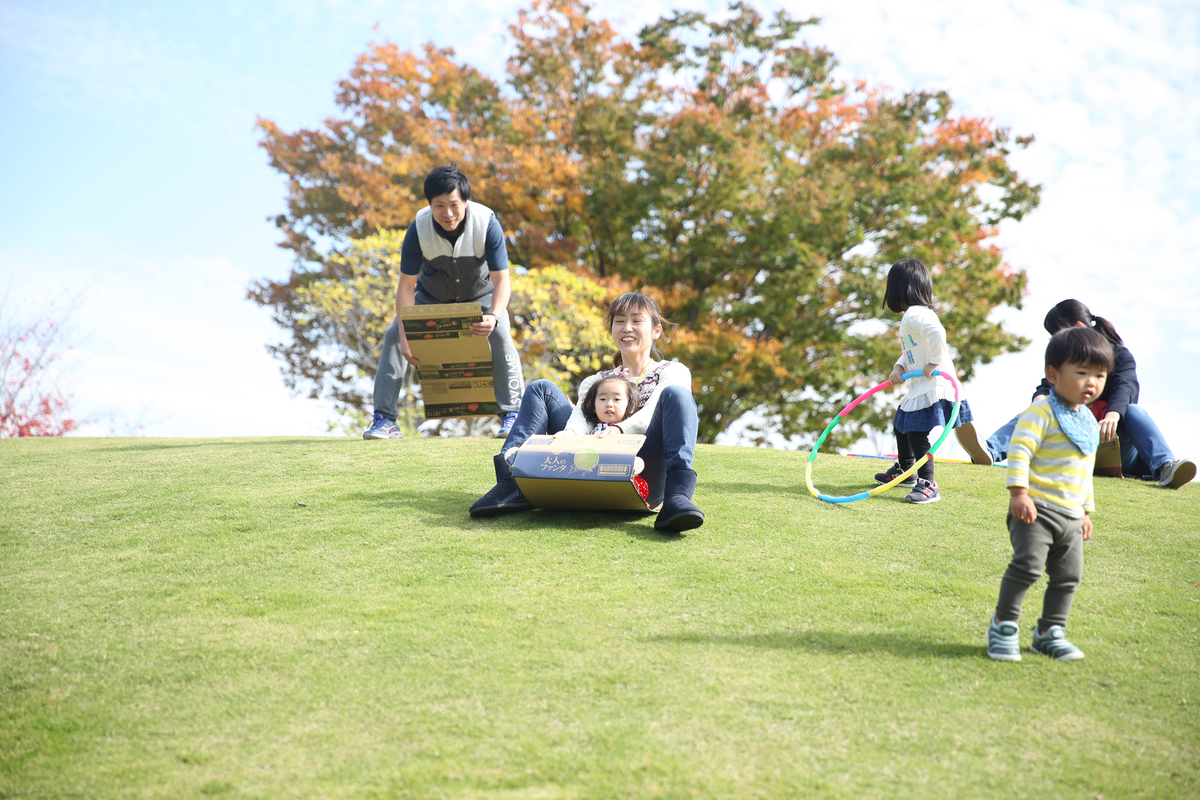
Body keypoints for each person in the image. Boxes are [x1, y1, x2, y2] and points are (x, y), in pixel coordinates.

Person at [470, 292, 705, 533]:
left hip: (644, 472)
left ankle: (677, 497)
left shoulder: (672, 371)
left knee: (677, 395)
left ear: (656, 331)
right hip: (593, 463)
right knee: (542, 388)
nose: (627, 327)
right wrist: (570, 433)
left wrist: (619, 430)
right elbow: (582, 415)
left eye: (637, 321)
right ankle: (511, 482)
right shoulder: (597, 380)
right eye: (620, 321)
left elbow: (652, 411)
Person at [959, 299, 1196, 488]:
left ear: (1078, 329)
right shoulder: (1065, 363)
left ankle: (1165, 466)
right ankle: (989, 450)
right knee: (1034, 411)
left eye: (1057, 335)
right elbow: (1046, 385)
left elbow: (1126, 388)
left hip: (1116, 449)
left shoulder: (1121, 356)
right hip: (1072, 448)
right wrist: (1039, 400)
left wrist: (1113, 415)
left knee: (1133, 411)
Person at [362, 166, 524, 440]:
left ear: (466, 202)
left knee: (500, 331)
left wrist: (494, 316)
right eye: (440, 206)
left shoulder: (487, 224)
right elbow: (406, 287)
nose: (448, 214)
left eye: (454, 205)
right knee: (392, 335)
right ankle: (384, 420)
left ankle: (513, 415)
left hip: (481, 295)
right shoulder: (418, 229)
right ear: (430, 205)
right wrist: (405, 335)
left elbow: (502, 282)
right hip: (430, 296)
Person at [986, 326, 1113, 662]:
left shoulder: (1086, 420)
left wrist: (1086, 511)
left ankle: (1049, 632)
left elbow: (1084, 470)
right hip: (1035, 510)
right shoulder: (1040, 412)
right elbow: (1020, 451)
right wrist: (1019, 493)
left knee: (1068, 576)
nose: (1091, 382)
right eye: (1082, 372)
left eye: (1099, 375)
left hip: (1071, 516)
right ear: (1053, 374)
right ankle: (1003, 625)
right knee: (1027, 567)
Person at [873, 259, 976, 504]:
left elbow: (937, 334)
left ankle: (928, 484)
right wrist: (900, 366)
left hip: (934, 386)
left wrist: (933, 363)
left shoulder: (915, 314)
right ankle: (906, 469)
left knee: (916, 434)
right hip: (921, 386)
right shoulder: (914, 315)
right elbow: (912, 349)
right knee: (901, 424)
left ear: (898, 289)